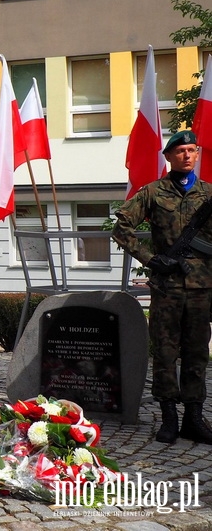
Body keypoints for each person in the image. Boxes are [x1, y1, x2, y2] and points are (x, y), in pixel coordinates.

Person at [113, 130, 212, 445]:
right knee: (166, 352)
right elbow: (122, 228)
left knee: (197, 353)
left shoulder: (209, 195)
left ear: (197, 155)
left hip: (201, 288)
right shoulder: (153, 193)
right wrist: (152, 259)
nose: (187, 155)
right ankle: (169, 418)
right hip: (167, 287)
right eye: (180, 150)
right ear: (168, 156)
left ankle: (194, 418)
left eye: (192, 150)